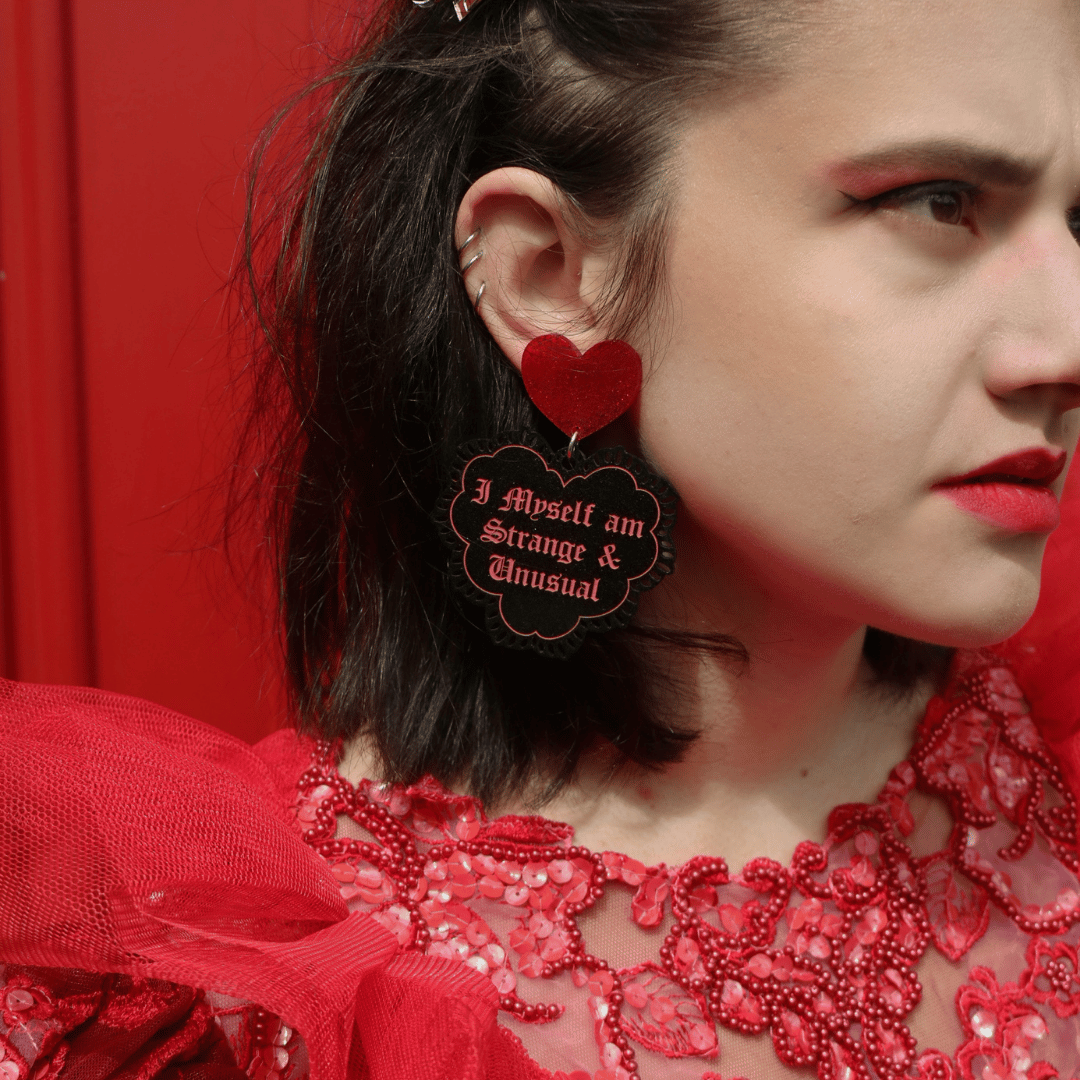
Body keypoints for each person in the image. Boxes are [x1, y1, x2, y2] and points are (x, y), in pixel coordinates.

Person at [3, 0, 1080, 1078]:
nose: (1067, 341)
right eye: (938, 204)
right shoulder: (232, 996)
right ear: (549, 277)